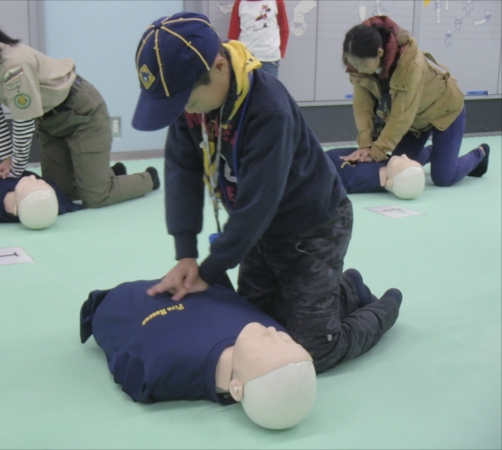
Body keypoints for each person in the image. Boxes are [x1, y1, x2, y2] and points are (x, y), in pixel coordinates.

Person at [130, 12, 401, 374]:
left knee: (312, 352)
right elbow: (182, 169)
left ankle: (383, 304)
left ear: (221, 66)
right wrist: (186, 254)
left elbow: (258, 204)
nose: (184, 112)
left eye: (187, 101)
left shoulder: (268, 108)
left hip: (314, 229)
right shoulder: (193, 106)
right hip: (259, 233)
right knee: (258, 329)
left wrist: (209, 271)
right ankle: (340, 289)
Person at [80, 275, 400, 429]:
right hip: (210, 289)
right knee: (307, 322)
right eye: (289, 344)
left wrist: (97, 312)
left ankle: (372, 299)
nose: (275, 335)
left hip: (129, 296)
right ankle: (352, 288)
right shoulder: (262, 332)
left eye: (271, 350)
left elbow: (124, 354)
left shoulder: (162, 371)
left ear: (237, 388)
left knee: (331, 343)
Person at [0, 0, 160, 209]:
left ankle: (148, 178)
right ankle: (108, 174)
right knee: (61, 193)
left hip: (82, 114)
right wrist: (6, 159)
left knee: (96, 197)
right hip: (50, 122)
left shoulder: (13, 65)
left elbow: (23, 122)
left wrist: (14, 171)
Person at [340, 15, 490, 187]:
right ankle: (439, 152)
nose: (358, 69)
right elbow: (362, 108)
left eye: (362, 65)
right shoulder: (358, 62)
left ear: (380, 53)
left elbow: (402, 116)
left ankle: (480, 153)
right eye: (353, 64)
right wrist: (365, 145)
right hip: (415, 122)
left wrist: (376, 151)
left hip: (444, 112)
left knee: (443, 178)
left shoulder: (411, 64)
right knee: (398, 168)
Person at [326, 150, 425, 199]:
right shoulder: (390, 162)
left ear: (390, 182)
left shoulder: (360, 178)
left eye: (400, 163)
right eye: (409, 159)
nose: (404, 156)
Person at [227, 0, 289, 78]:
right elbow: (233, 33)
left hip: (269, 60)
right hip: (247, 60)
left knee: (269, 90)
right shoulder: (240, 3)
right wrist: (230, 55)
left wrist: (280, 51)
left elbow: (284, 28)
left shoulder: (277, 1)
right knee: (248, 90)